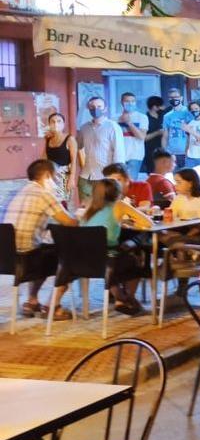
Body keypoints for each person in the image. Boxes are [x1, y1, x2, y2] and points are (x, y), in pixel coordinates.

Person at [0, 160, 78, 320]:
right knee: (70, 257)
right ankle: (52, 306)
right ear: (47, 176)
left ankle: (32, 301)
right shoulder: (44, 194)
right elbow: (69, 222)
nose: (57, 181)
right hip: (26, 259)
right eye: (56, 177)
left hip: (7, 258)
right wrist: (84, 214)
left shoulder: (19, 191)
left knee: (44, 249)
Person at [79, 177, 153, 315]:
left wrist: (119, 223)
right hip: (109, 259)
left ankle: (120, 298)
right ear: (118, 193)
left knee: (115, 256)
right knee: (135, 260)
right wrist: (128, 222)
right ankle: (127, 298)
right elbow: (148, 223)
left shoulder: (90, 207)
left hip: (85, 261)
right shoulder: (119, 205)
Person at [77, 96, 126, 200]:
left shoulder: (113, 127)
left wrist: (115, 177)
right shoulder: (84, 128)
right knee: (85, 208)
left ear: (105, 108)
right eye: (92, 107)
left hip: (105, 177)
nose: (96, 109)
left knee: (104, 208)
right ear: (89, 109)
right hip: (86, 176)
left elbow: (119, 154)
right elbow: (77, 146)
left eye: (99, 106)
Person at [43, 112, 78, 207]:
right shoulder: (48, 139)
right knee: (52, 204)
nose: (56, 124)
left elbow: (74, 161)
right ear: (49, 124)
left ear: (63, 124)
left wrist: (72, 178)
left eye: (59, 121)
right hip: (50, 178)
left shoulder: (70, 139)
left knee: (63, 204)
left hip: (63, 178)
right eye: (53, 122)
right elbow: (44, 158)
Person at [116, 92, 148, 177]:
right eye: (127, 101)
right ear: (122, 102)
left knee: (130, 181)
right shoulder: (115, 119)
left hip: (135, 155)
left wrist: (129, 123)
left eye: (133, 101)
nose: (130, 103)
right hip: (119, 155)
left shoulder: (142, 117)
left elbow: (142, 136)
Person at [161, 88, 191, 167]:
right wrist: (164, 152)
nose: (174, 99)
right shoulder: (167, 116)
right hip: (172, 153)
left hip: (187, 152)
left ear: (181, 98)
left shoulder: (189, 112)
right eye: (171, 97)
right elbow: (165, 136)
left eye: (176, 97)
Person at [140, 96, 165, 176]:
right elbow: (144, 137)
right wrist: (157, 133)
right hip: (150, 150)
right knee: (153, 173)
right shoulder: (145, 118)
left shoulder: (162, 115)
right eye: (160, 105)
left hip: (163, 149)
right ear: (154, 107)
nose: (162, 107)